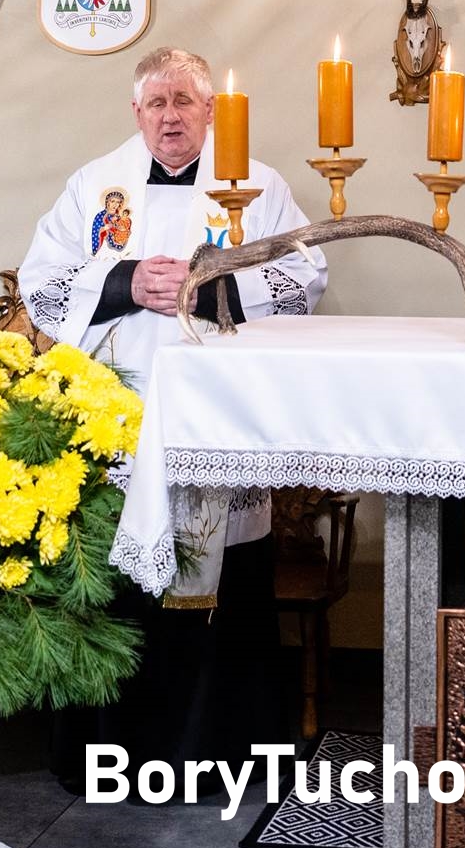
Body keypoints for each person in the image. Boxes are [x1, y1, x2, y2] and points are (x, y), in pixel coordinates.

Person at [18, 44, 325, 779]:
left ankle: (222, 756)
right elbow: (41, 283)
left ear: (211, 110)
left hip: (217, 418)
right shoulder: (96, 185)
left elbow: (305, 273)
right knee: (122, 581)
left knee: (221, 577)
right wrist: (125, 281)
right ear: (136, 112)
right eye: (156, 102)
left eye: (184, 100)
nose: (170, 116)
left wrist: (205, 287)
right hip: (115, 418)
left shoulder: (256, 183)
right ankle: (109, 755)